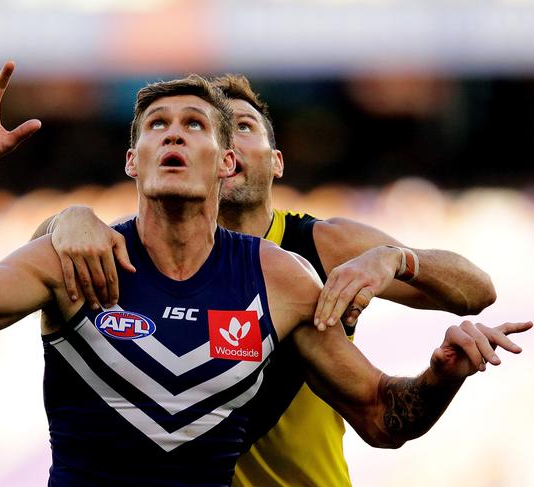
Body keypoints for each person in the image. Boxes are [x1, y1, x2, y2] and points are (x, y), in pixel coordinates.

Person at [0, 55, 529, 487]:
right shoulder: (74, 257)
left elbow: (384, 417)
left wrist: (443, 373)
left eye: (194, 125)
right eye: (157, 126)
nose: (174, 135)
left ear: (229, 163)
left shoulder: (286, 275)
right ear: (132, 160)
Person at [39, 75, 498, 486]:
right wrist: (64, 220)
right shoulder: (139, 251)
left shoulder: (321, 247)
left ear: (276, 161)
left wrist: (397, 260)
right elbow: (39, 269)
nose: (228, 143)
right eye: (211, 129)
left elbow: (478, 291)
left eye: (241, 125)